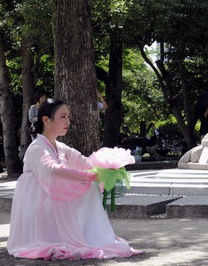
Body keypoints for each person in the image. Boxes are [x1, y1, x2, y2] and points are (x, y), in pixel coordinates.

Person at [7, 98, 141, 260]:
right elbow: (51, 168)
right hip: (38, 198)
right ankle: (67, 236)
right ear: (46, 120)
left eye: (68, 117)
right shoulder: (37, 148)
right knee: (87, 185)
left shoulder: (59, 146)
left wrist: (105, 169)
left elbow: (83, 161)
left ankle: (89, 234)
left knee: (90, 187)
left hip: (50, 192)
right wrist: (91, 176)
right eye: (63, 117)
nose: (68, 121)